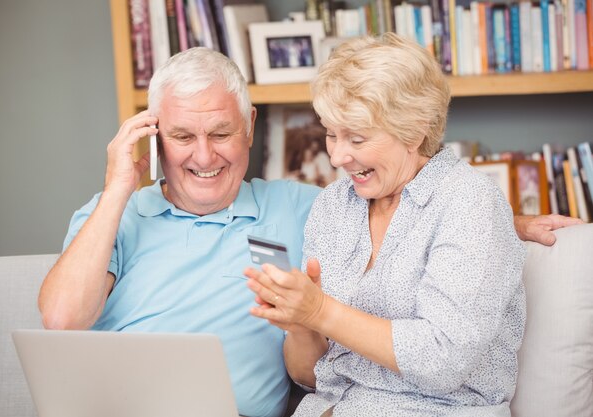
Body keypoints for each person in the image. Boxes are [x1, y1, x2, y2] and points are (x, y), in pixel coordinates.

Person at [38, 46, 579, 417]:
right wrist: (117, 187)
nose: (203, 156)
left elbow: (427, 214)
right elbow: (62, 319)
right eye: (182, 136)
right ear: (155, 136)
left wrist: (511, 223)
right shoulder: (118, 214)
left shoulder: (297, 206)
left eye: (221, 132)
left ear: (249, 126)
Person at [244, 34, 581, 417]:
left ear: (415, 130)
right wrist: (299, 320)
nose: (337, 156)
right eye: (330, 133)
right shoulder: (333, 206)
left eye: (356, 137)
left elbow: (442, 360)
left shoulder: (468, 202)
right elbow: (312, 377)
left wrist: (320, 310)